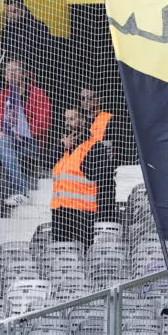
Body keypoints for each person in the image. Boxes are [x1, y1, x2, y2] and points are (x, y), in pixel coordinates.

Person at [0, 58, 52, 207]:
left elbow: (44, 123)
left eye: (16, 70)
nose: (12, 74)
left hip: (31, 143)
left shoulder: (37, 94)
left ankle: (21, 191)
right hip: (7, 141)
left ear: (24, 74)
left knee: (2, 143)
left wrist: (22, 133)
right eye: (9, 71)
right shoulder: (2, 96)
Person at [50, 103, 114, 246]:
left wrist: (104, 215)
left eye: (72, 119)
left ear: (82, 120)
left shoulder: (93, 146)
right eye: (66, 119)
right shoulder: (64, 146)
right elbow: (44, 161)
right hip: (60, 213)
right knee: (62, 257)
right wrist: (62, 146)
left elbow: (106, 182)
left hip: (83, 214)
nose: (68, 123)